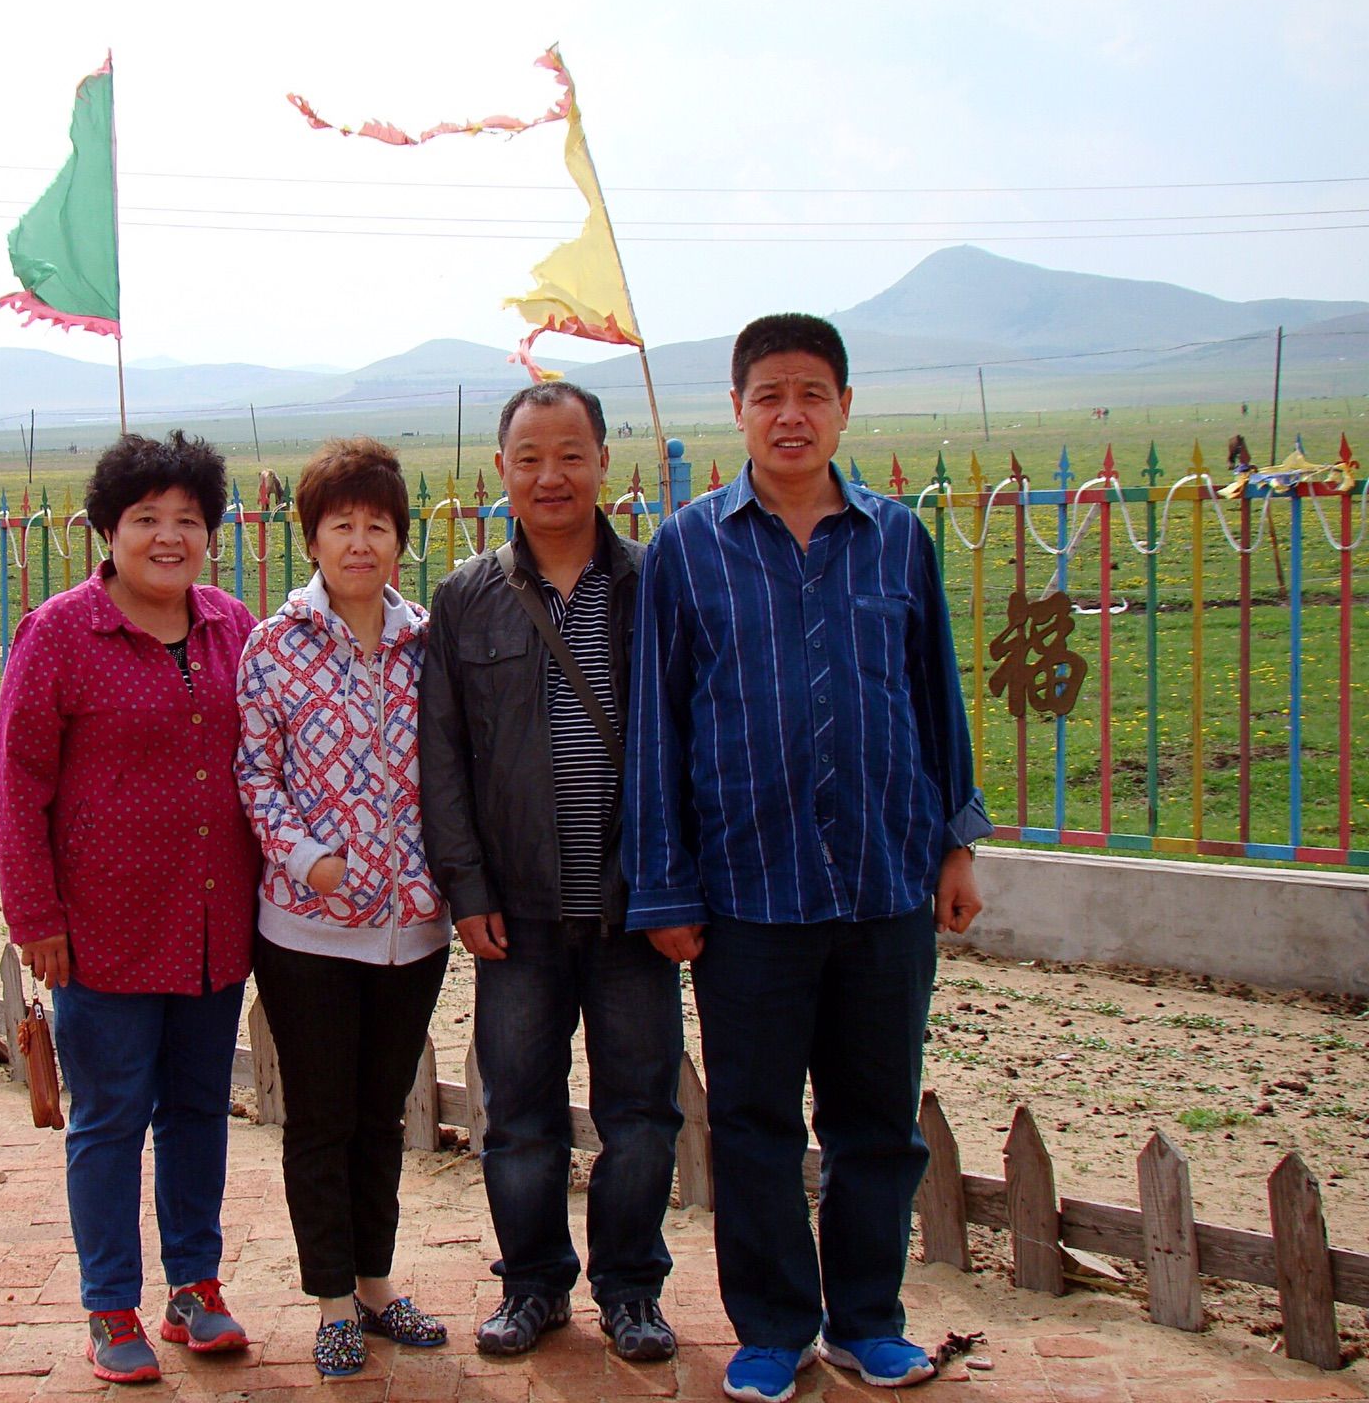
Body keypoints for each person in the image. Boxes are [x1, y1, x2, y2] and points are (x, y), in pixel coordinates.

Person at [625, 314, 991, 1403]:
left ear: (842, 407)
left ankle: (867, 1320)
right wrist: (669, 883)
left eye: (813, 394)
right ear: (737, 409)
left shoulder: (897, 539)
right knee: (752, 1123)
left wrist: (956, 843)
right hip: (747, 895)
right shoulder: (690, 547)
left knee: (878, 1119)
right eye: (770, 394)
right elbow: (659, 727)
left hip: (886, 880)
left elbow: (936, 698)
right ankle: (774, 1328)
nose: (792, 414)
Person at [421, 381, 684, 1363]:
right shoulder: (465, 599)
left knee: (645, 1118)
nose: (551, 475)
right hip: (518, 915)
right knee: (520, 1118)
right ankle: (532, 1285)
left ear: (604, 463)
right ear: (503, 473)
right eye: (530, 458)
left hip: (634, 907)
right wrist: (468, 888)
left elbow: (689, 741)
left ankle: (631, 1289)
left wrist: (677, 882)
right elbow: (441, 757)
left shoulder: (656, 585)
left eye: (570, 454)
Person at [0, 430, 260, 1385]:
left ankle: (196, 1285)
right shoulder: (61, 633)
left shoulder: (232, 626)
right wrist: (36, 916)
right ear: (108, 530)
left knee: (197, 1110)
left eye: (187, 519)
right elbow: (19, 783)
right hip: (101, 930)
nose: (167, 536)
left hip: (214, 922)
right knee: (109, 1118)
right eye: (145, 518)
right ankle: (111, 1305)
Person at [236, 436, 453, 1377]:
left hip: (415, 929)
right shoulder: (275, 646)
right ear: (312, 539)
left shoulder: (428, 644)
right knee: (322, 1119)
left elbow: (458, 767)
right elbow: (257, 777)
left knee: (381, 1115)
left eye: (378, 525)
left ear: (399, 541)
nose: (360, 542)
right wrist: (310, 860)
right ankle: (329, 1300)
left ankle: (375, 1285)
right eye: (341, 524)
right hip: (309, 929)